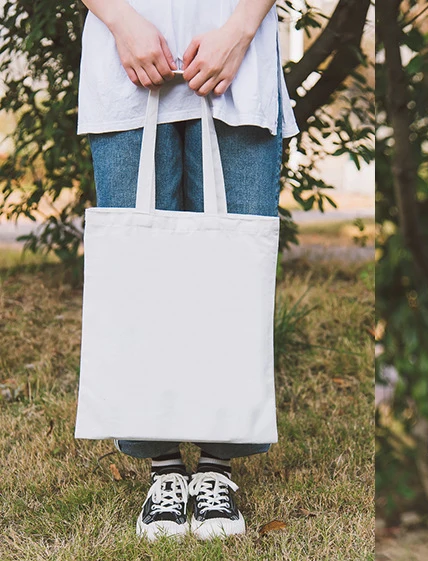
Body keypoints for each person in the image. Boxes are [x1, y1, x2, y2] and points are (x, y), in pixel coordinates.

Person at [77, 0, 299, 541]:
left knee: (234, 278)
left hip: (237, 58)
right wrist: (121, 21)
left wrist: (240, 30)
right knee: (139, 280)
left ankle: (219, 466)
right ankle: (164, 468)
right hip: (125, 55)